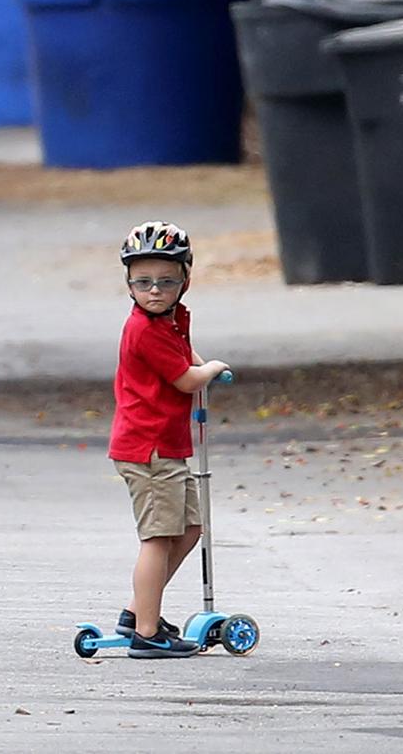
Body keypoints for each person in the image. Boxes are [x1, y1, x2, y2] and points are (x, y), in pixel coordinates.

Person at [108, 221, 229, 658]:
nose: (154, 291)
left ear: (185, 281)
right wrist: (212, 370)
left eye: (166, 281)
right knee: (158, 538)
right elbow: (184, 378)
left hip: (168, 446)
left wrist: (201, 362)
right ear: (129, 284)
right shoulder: (146, 329)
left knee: (190, 528)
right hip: (149, 449)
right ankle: (146, 633)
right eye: (143, 282)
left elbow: (185, 355)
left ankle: (137, 610)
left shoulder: (172, 319)